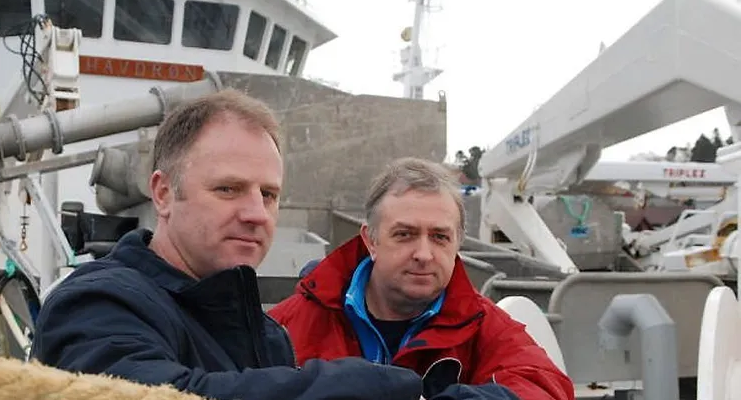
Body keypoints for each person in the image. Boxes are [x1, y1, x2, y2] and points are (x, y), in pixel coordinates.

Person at [32, 89, 428, 400]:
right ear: (164, 193)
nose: (257, 213)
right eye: (228, 189)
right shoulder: (97, 304)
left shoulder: (266, 334)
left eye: (269, 195)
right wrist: (365, 385)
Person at [268, 157, 576, 400]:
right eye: (405, 234)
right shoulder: (287, 325)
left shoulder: (486, 327)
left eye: (440, 237)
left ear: (458, 243)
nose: (424, 254)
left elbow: (545, 386)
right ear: (370, 241)